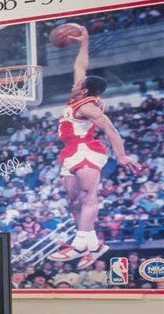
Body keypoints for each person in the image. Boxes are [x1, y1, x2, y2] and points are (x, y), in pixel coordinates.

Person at [49, 26, 144, 264]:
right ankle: (93, 245)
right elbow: (80, 66)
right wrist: (84, 42)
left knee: (88, 195)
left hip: (87, 148)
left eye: (78, 84)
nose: (74, 84)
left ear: (84, 90)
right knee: (73, 201)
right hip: (70, 151)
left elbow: (111, 130)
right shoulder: (78, 97)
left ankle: (79, 244)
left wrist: (121, 156)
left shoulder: (87, 106)